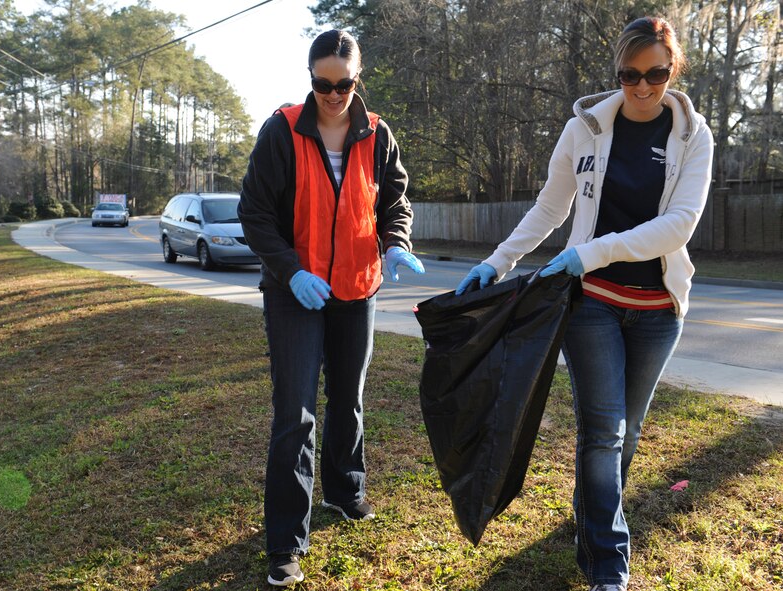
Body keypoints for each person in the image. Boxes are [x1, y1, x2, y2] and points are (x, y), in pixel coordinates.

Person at [456, 17, 713, 591]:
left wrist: (590, 251)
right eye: (629, 75)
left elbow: (679, 226)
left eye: (656, 74)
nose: (643, 87)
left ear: (674, 71)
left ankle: (591, 518)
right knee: (603, 431)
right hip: (591, 301)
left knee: (628, 428)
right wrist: (498, 262)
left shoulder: (694, 136)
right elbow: (549, 209)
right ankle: (607, 564)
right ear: (616, 71)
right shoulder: (586, 129)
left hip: (657, 308)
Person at [238, 29, 424, 587]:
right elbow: (255, 214)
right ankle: (285, 542)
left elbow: (394, 199)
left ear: (357, 80)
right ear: (310, 78)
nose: (333, 94)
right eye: (323, 83)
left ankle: (346, 492)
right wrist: (290, 270)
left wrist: (397, 241)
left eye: (344, 84)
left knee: (349, 399)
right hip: (296, 292)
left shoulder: (377, 134)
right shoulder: (282, 130)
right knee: (296, 413)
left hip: (356, 288)